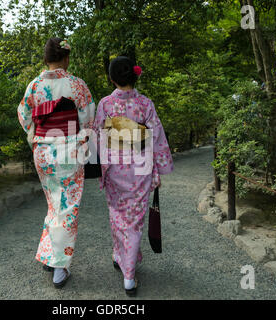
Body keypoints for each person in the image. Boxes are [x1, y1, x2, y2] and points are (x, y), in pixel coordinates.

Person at [17, 37, 95, 288]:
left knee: (54, 205)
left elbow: (24, 116)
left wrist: (37, 139)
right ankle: (60, 268)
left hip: (42, 151)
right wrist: (82, 142)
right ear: (66, 57)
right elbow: (88, 120)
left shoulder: (34, 86)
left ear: (46, 59)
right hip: (68, 150)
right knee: (67, 208)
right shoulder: (76, 85)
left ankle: (50, 256)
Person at [93, 56, 174, 296]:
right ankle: (123, 259)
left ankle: (127, 270)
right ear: (135, 76)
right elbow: (156, 136)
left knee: (118, 216)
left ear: (111, 78)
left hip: (116, 168)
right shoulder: (145, 104)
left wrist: (101, 167)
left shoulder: (106, 104)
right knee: (135, 219)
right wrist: (160, 166)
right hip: (140, 167)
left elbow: (100, 138)